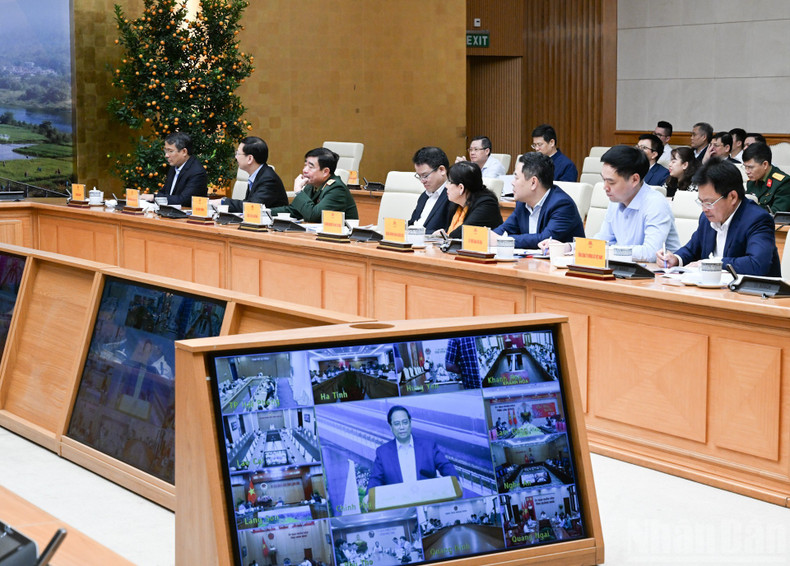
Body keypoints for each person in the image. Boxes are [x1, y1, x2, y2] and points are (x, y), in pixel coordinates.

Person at [541, 145, 680, 261]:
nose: (605, 187)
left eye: (611, 182)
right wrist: (569, 247)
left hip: (659, 280)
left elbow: (650, 253)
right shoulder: (616, 201)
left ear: (634, 180)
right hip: (626, 272)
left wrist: (608, 251)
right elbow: (602, 240)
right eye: (604, 180)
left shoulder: (655, 203)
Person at [656, 158, 781, 277]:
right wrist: (675, 259)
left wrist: (714, 264)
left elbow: (757, 264)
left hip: (755, 295)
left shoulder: (757, 219)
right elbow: (692, 250)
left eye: (709, 202)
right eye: (701, 202)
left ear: (732, 197)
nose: (704, 208)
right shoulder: (707, 218)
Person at [491, 152, 584, 248]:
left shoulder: (562, 205)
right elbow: (503, 230)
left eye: (516, 178)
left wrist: (503, 241)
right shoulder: (523, 203)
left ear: (533, 182)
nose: (512, 183)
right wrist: (488, 237)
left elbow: (544, 239)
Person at [366, 406, 457, 491]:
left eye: (405, 422)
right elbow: (375, 479)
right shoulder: (383, 452)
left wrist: (456, 483)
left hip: (427, 500)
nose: (402, 427)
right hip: (400, 504)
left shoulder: (428, 446)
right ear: (391, 427)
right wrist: (368, 498)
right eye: (397, 424)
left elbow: (446, 467)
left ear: (410, 423)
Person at [270, 147, 358, 222]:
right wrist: (265, 212)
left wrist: (298, 191)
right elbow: (295, 211)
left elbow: (314, 216)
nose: (305, 170)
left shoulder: (337, 189)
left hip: (341, 239)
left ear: (325, 172)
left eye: (310, 167)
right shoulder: (311, 185)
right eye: (305, 165)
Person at [212, 136, 287, 212]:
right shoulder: (257, 175)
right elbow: (247, 203)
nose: (236, 157)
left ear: (250, 159)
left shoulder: (268, 179)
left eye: (238, 153)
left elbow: (252, 206)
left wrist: (222, 202)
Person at [441, 161, 502, 239]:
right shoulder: (457, 204)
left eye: (449, 182)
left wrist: (445, 237)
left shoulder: (487, 204)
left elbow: (463, 232)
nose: (446, 186)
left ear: (461, 188)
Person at [143, 131, 207, 205]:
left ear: (184, 152)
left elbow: (183, 200)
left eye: (170, 151)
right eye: (165, 151)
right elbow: (164, 192)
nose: (166, 155)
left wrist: (154, 197)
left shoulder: (197, 172)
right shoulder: (174, 167)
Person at [409, 146, 452, 233]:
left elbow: (448, 231)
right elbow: (412, 224)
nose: (422, 181)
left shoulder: (452, 196)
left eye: (425, 175)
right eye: (419, 176)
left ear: (442, 170)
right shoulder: (424, 196)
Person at [743, 142, 790, 214]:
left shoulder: (783, 183)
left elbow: (776, 215)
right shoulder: (751, 182)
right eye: (745, 167)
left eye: (750, 167)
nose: (747, 171)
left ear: (765, 164)